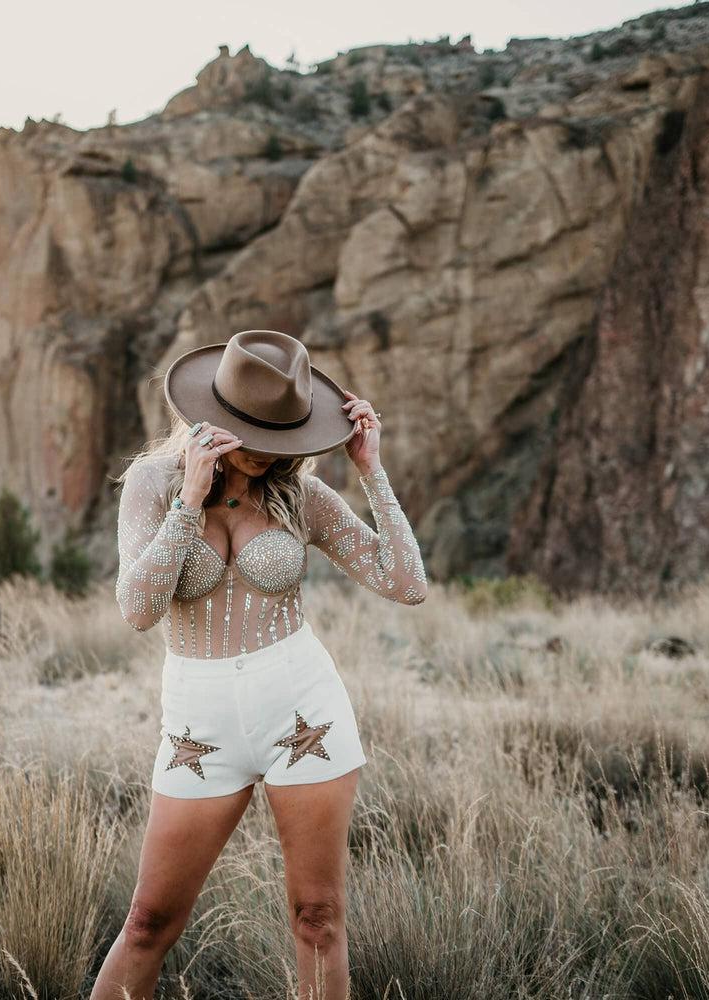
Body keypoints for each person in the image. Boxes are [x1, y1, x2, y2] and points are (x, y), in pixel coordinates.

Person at [89, 329, 428, 1000]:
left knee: (318, 918)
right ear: (212, 417)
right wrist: (190, 500)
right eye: (254, 435)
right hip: (198, 728)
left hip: (303, 713)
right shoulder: (154, 483)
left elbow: (405, 581)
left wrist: (371, 470)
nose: (270, 454)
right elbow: (137, 608)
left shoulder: (298, 494)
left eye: (282, 438)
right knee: (149, 922)